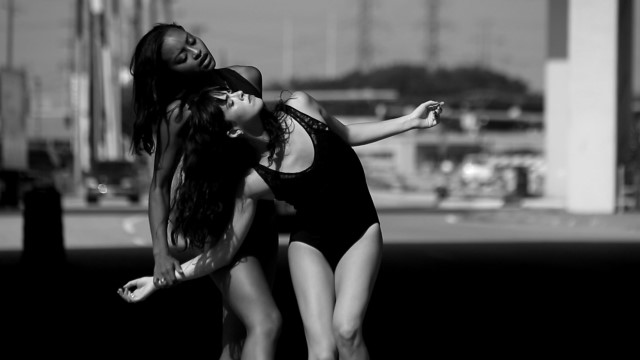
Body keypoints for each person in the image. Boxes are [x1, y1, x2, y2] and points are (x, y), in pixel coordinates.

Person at [119, 86, 444, 359]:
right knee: (321, 351)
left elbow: (346, 133)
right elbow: (222, 253)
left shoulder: (300, 105)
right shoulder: (252, 182)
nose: (237, 94)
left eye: (229, 92)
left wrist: (411, 122)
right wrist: (159, 281)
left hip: (359, 233)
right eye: (229, 103)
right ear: (232, 131)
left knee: (347, 331)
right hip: (309, 245)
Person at [124, 22, 281, 360]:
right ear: (171, 72)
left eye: (192, 42)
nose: (197, 52)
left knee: (236, 327)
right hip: (214, 223)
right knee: (265, 321)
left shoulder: (247, 78)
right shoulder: (178, 113)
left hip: (260, 219)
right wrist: (160, 253)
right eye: (183, 56)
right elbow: (159, 186)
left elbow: (267, 146)